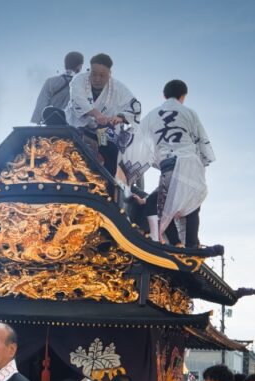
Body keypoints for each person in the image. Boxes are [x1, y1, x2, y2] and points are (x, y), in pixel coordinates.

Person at [139, 79, 215, 248]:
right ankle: (192, 246)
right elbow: (201, 140)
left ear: (164, 95)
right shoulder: (189, 113)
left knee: (160, 205)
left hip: (170, 164)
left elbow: (138, 140)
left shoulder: (152, 115)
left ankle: (172, 243)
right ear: (183, 96)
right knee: (192, 204)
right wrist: (203, 163)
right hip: (191, 163)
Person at [66, 53, 141, 176]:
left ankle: (106, 186)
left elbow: (135, 106)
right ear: (89, 70)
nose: (97, 79)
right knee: (70, 145)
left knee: (110, 151)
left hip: (102, 130)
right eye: (94, 74)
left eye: (102, 75)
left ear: (109, 74)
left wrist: (120, 117)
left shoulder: (118, 88)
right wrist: (97, 114)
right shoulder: (78, 80)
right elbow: (78, 99)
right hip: (76, 124)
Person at [31, 51, 83, 124]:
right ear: (80, 66)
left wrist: (37, 123)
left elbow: (41, 103)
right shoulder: (82, 84)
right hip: (73, 127)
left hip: (52, 125)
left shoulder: (50, 81)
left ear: (65, 65)